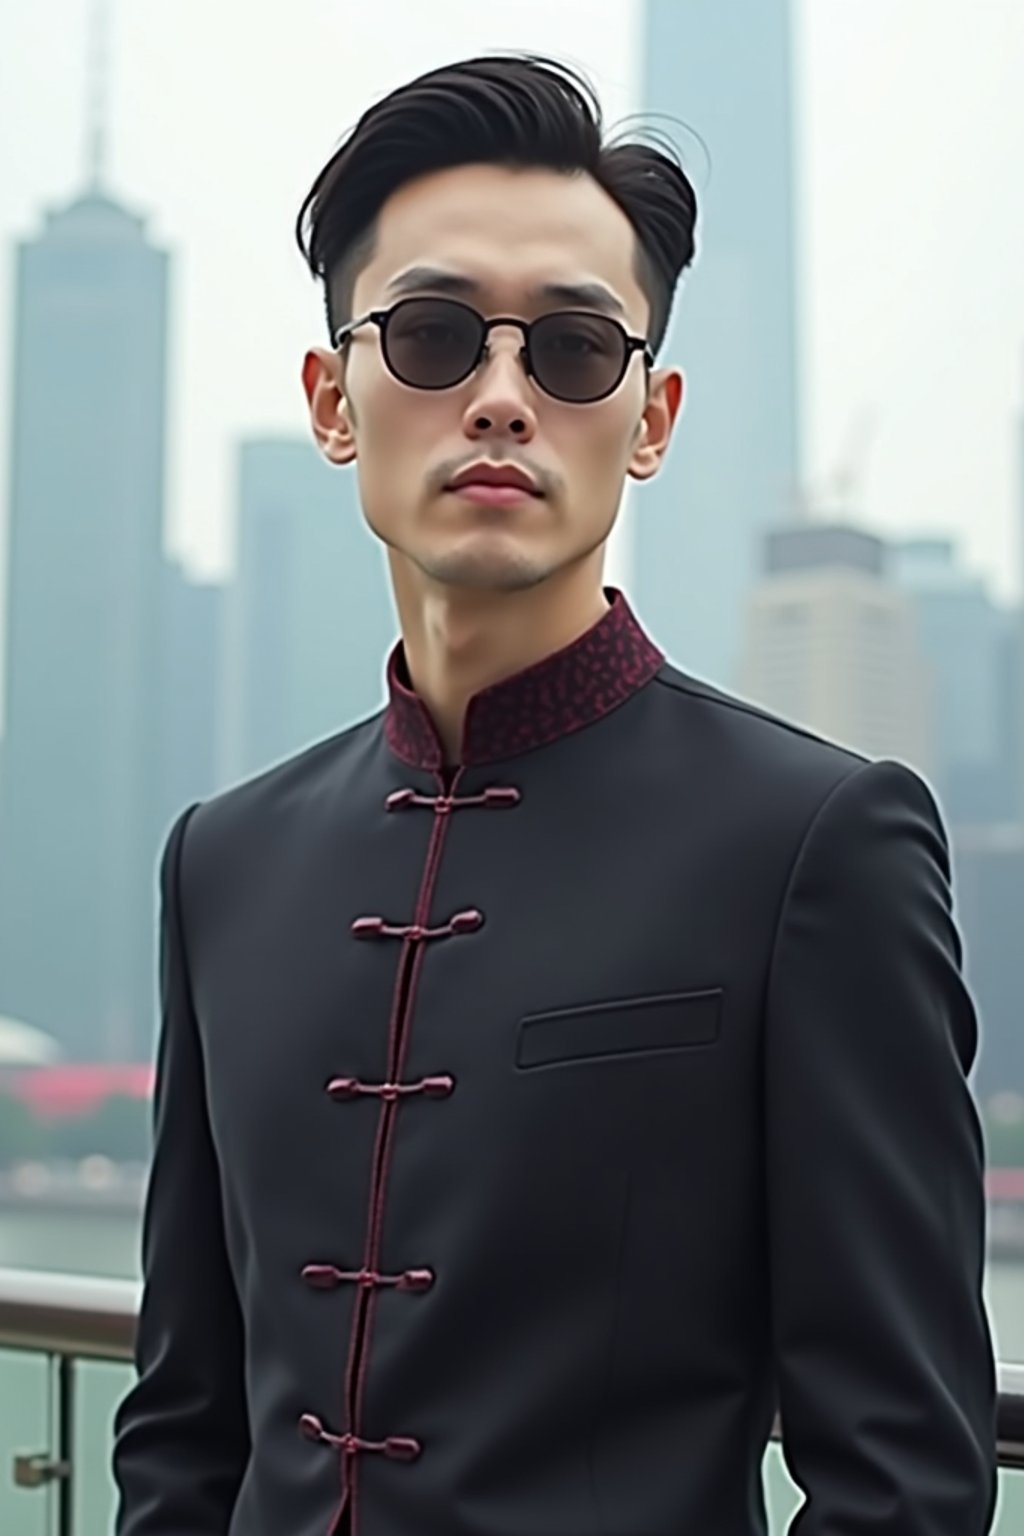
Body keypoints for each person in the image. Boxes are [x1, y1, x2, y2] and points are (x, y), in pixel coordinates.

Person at [111, 52, 998, 1536]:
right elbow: (183, 1421)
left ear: (648, 419)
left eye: (576, 350)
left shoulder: (813, 848)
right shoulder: (224, 860)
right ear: (335, 399)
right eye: (438, 335)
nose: (503, 398)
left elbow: (903, 1472)